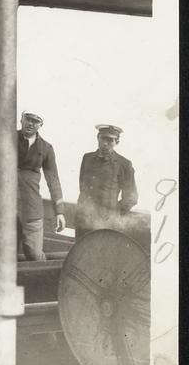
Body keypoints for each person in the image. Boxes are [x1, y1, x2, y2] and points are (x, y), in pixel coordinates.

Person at [16, 111, 66, 261]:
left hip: (31, 207)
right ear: (21, 119)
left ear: (41, 125)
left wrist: (59, 212)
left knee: (34, 255)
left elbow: (53, 180)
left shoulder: (46, 148)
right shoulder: (6, 137)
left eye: (35, 121)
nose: (30, 123)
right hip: (4, 205)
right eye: (28, 119)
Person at [77, 124, 138, 238]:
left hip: (106, 223)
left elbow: (131, 197)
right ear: (98, 138)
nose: (105, 143)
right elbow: (82, 185)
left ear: (117, 142)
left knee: (101, 254)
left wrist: (113, 213)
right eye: (103, 138)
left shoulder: (124, 164)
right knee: (81, 253)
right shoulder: (87, 158)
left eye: (110, 140)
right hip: (83, 218)